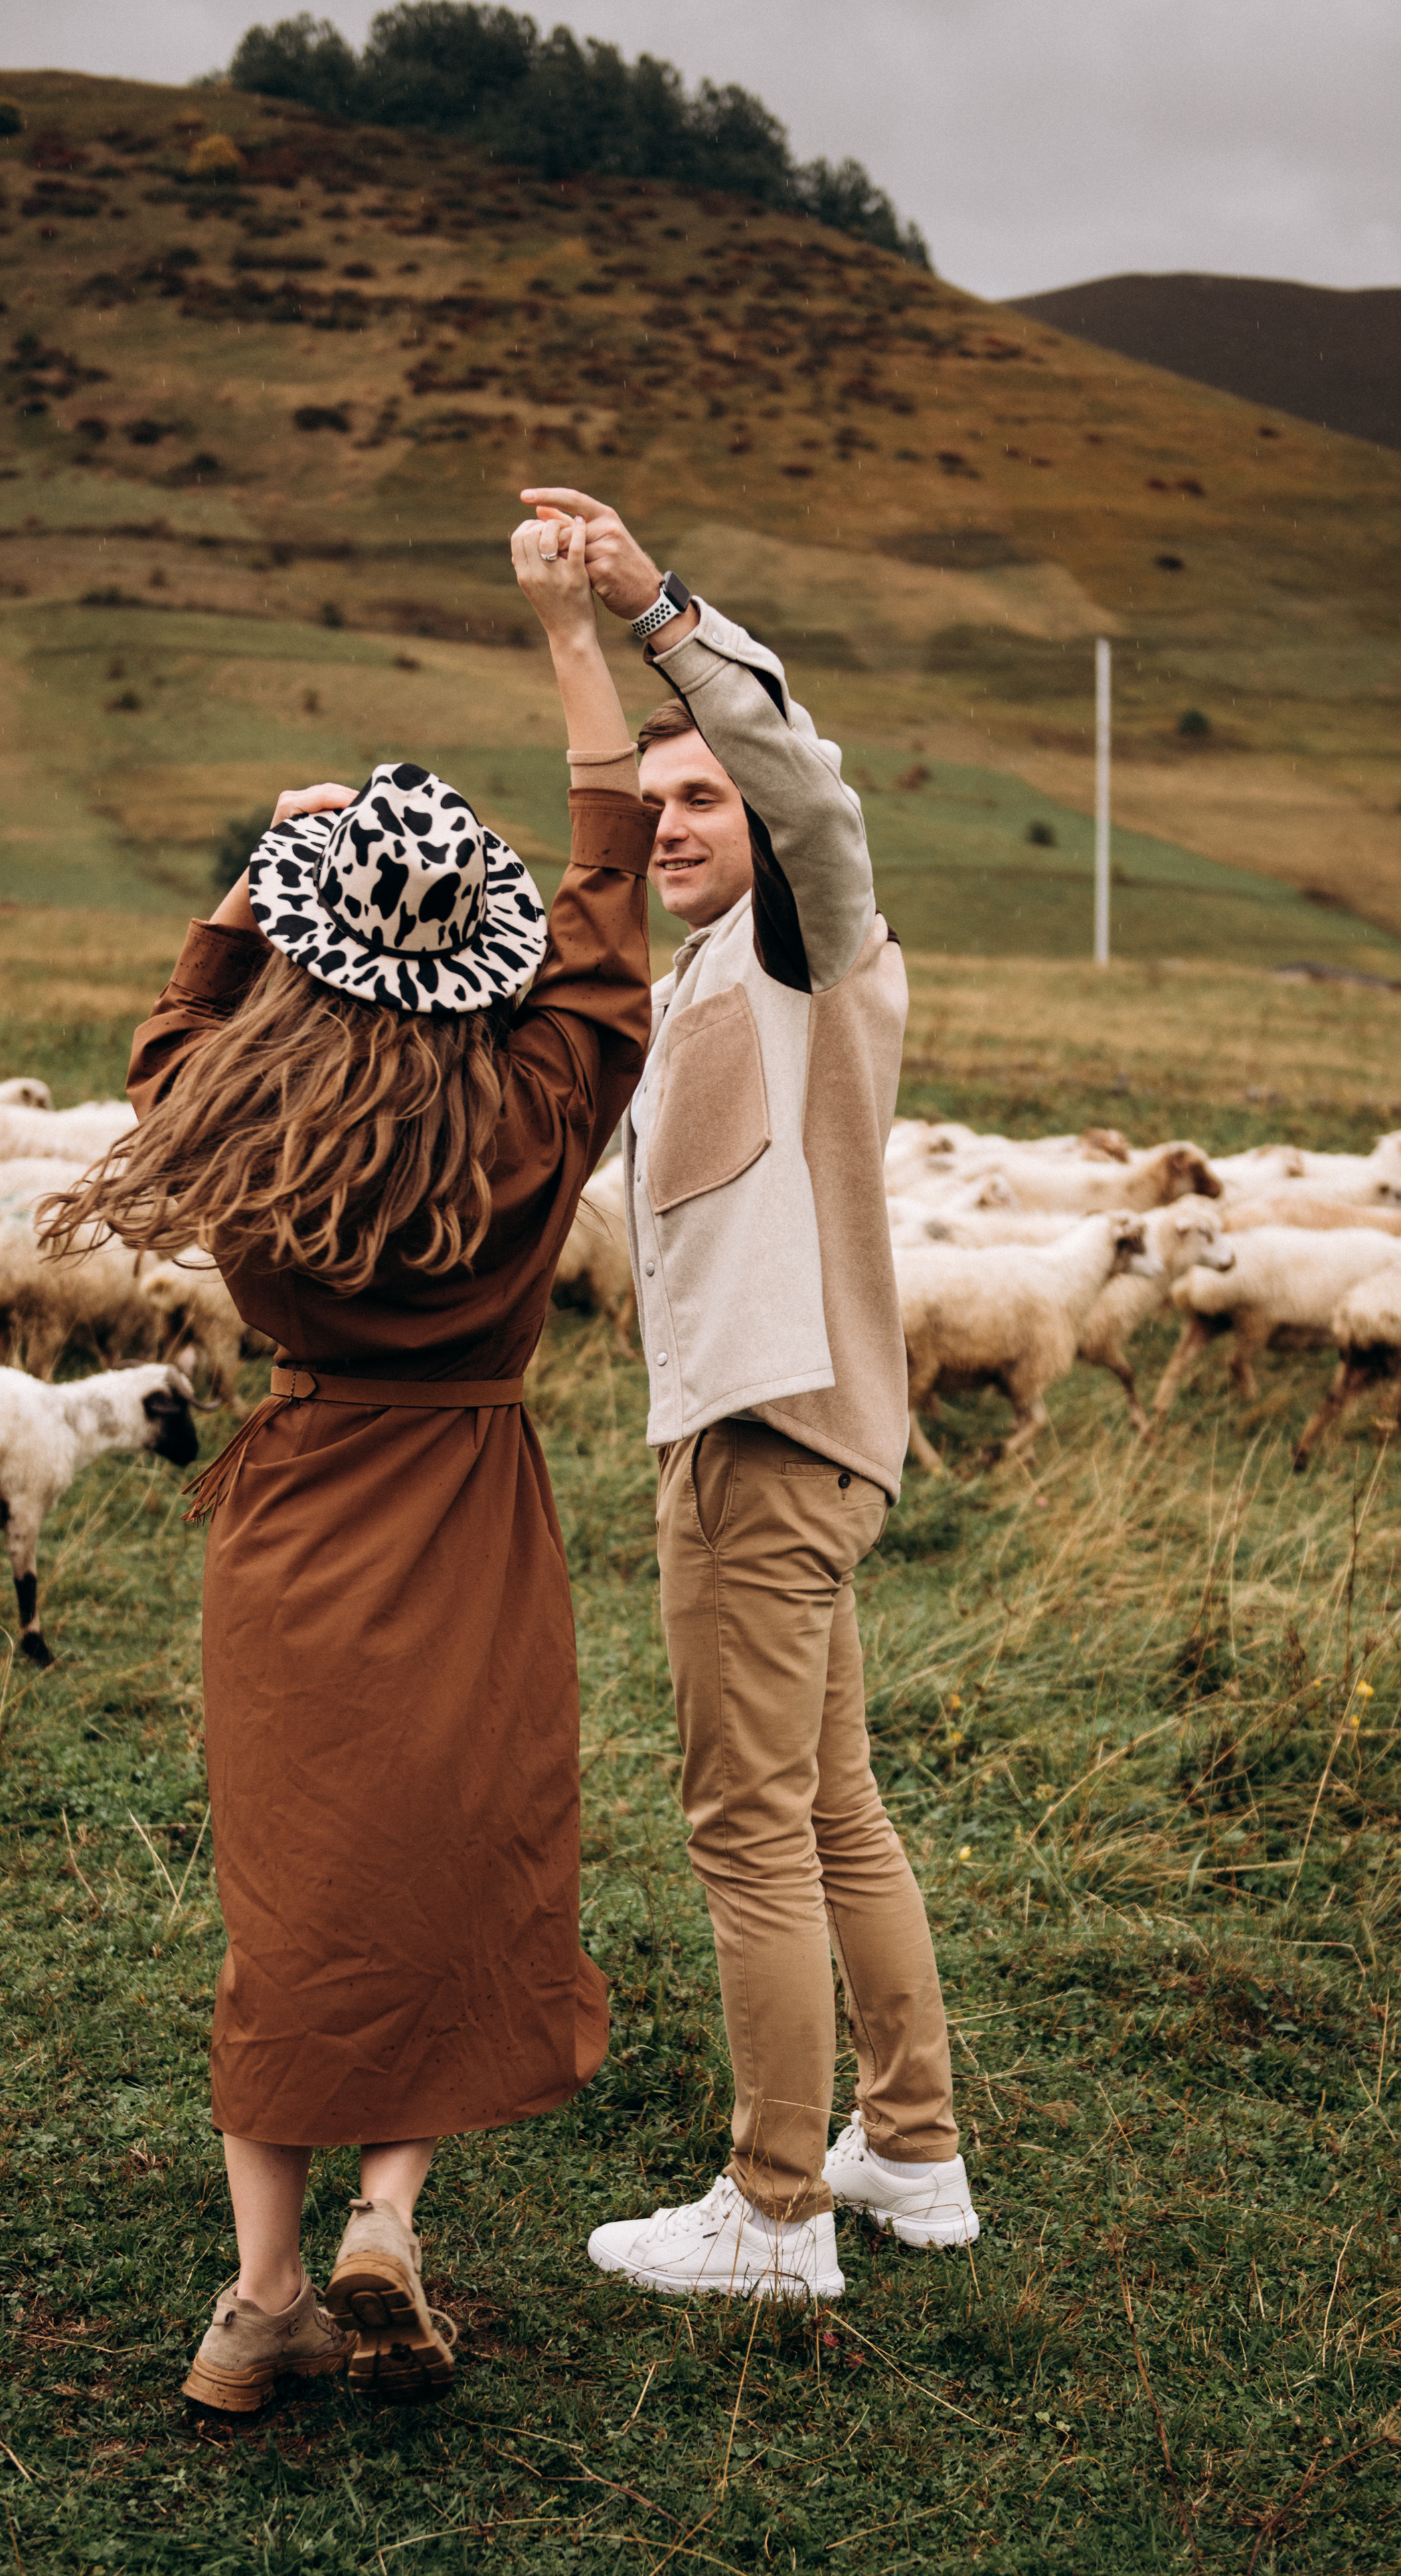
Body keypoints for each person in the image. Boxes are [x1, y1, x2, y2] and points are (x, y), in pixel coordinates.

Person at [52, 512, 653, 2407]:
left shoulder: (233, 1110)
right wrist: (570, 626)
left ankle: (259, 2298)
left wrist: (254, 885)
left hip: (296, 1512)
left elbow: (177, 1026)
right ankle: (392, 2214)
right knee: (458, 1870)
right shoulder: (545, 1094)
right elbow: (613, 886)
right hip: (473, 1508)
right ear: (478, 961)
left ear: (300, 959)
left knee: (294, 1894)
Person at [519, 485, 980, 2300]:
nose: (675, 819)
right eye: (659, 801)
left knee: (741, 1830)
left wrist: (651, 611)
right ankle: (912, 2153)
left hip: (766, 1437)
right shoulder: (717, 960)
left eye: (703, 792)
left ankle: (776, 2214)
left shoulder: (812, 933)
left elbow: (808, 785)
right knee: (833, 1811)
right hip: (808, 1424)